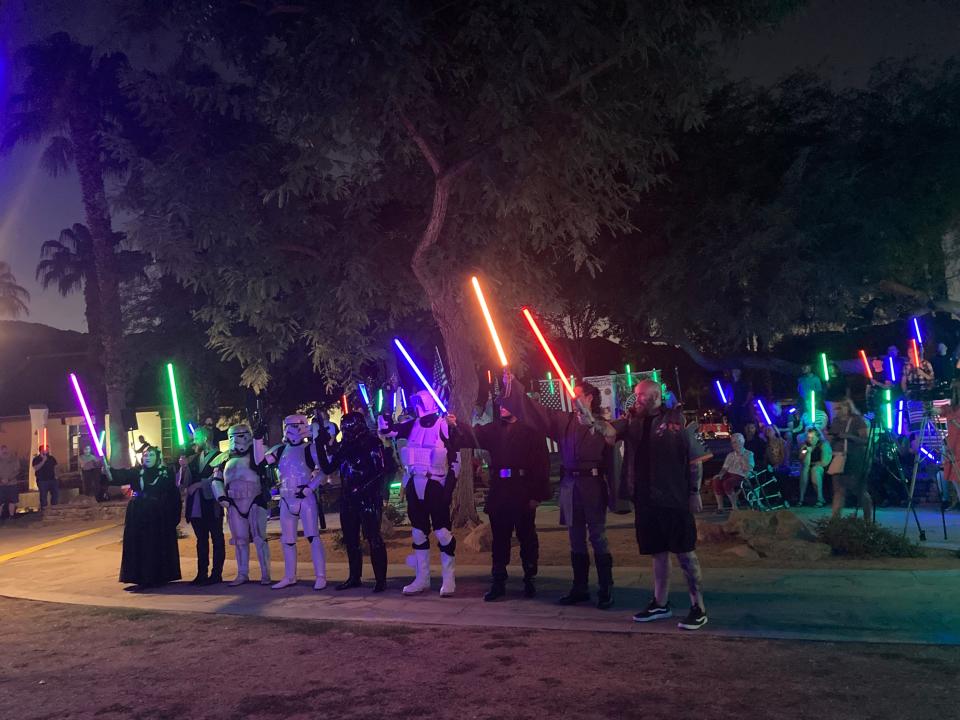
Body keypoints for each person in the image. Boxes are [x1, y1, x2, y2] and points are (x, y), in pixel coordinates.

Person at [501, 372, 616, 609]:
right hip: (570, 486)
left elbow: (613, 446)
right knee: (575, 540)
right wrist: (513, 386)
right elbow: (536, 411)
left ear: (590, 398)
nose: (574, 400)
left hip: (593, 485)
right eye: (572, 397)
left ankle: (606, 588)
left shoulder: (604, 425)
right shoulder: (564, 421)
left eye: (578, 396)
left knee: (598, 538)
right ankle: (580, 587)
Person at [604, 379, 712, 630]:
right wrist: (588, 416)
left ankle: (698, 607)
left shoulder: (676, 421)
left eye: (640, 395)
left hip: (674, 498)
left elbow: (696, 460)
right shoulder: (633, 422)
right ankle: (660, 603)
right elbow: (609, 433)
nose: (635, 400)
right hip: (645, 499)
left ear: (654, 396)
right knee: (658, 552)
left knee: (685, 553)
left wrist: (694, 492)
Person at [451, 398, 551, 601]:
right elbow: (472, 436)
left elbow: (542, 464)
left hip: (523, 489)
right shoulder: (493, 430)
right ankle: (498, 581)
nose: (503, 407)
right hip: (501, 490)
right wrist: (457, 424)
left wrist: (536, 495)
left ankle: (529, 579)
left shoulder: (531, 431)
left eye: (508, 403)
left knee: (527, 536)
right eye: (501, 405)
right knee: (500, 539)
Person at [379, 390, 460, 596]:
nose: (418, 405)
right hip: (415, 483)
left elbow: (456, 459)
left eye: (421, 401)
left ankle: (448, 579)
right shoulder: (411, 425)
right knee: (417, 532)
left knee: (443, 533)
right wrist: (384, 412)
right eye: (416, 402)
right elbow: (388, 431)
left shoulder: (444, 425)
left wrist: (448, 488)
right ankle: (422, 578)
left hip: (436, 484)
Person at [317, 411, 388, 592]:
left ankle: (381, 580)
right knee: (351, 540)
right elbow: (327, 467)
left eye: (349, 427)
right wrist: (319, 443)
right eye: (344, 427)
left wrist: (364, 489)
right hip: (348, 499)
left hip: (368, 499)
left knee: (373, 539)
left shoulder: (373, 443)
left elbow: (381, 470)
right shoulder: (344, 447)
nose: (345, 431)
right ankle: (354, 577)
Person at [263, 414, 327, 591]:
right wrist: (257, 438)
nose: (290, 429)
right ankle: (290, 576)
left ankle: (320, 575)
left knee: (313, 537)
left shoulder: (310, 448)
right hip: (286, 497)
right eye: (287, 426)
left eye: (294, 425)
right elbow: (259, 461)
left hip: (304, 497)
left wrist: (310, 487)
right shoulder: (280, 450)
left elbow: (324, 471)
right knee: (288, 540)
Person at [106, 446, 181, 589]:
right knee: (140, 544)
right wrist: (108, 471)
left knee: (155, 543)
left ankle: (158, 576)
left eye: (151, 455)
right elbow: (119, 476)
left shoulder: (165, 473)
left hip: (157, 513)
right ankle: (141, 577)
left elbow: (173, 494)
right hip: (138, 513)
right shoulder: (136, 472)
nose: (147, 457)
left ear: (157, 457)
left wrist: (173, 515)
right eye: (145, 455)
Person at [210, 424, 272, 587]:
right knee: (239, 541)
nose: (235, 440)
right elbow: (216, 480)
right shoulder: (223, 458)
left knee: (260, 539)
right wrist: (221, 497)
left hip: (255, 499)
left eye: (240, 435)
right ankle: (242, 573)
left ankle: (265, 573)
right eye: (232, 436)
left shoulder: (258, 453)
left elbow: (269, 465)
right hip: (233, 503)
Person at [178, 426, 225, 585]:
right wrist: (183, 467)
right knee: (201, 540)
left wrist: (198, 485)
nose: (194, 441)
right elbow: (184, 483)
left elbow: (218, 478)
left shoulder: (220, 456)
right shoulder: (194, 458)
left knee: (217, 539)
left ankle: (217, 574)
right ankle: (201, 573)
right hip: (196, 506)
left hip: (212, 503)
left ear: (205, 438)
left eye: (197, 437)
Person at [827, 399, 872, 521]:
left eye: (840, 408)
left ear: (848, 408)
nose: (837, 411)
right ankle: (835, 520)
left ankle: (868, 519)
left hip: (855, 458)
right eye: (836, 408)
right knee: (838, 489)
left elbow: (865, 440)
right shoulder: (836, 421)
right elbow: (831, 438)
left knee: (859, 490)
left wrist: (849, 437)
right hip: (839, 457)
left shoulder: (857, 420)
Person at [710, 433, 754, 512]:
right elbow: (725, 468)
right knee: (716, 481)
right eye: (733, 442)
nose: (735, 444)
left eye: (737, 442)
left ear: (742, 442)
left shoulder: (749, 454)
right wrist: (720, 475)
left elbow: (749, 468)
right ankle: (720, 507)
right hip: (730, 474)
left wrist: (742, 457)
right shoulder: (730, 455)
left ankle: (734, 506)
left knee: (727, 483)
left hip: (742, 475)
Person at [798, 427, 832, 507]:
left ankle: (820, 499)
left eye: (812, 438)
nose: (810, 440)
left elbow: (824, 462)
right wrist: (807, 452)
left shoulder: (823, 445)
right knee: (804, 469)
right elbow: (801, 458)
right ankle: (801, 499)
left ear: (818, 437)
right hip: (809, 465)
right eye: (808, 437)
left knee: (815, 470)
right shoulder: (805, 445)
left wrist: (812, 464)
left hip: (822, 467)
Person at [32, 445, 59, 510]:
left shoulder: (51, 458)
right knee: (43, 496)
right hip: (42, 480)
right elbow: (36, 468)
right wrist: (43, 461)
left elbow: (55, 466)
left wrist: (56, 475)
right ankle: (44, 511)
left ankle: (54, 509)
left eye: (48, 449)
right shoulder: (36, 459)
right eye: (45, 449)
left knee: (55, 495)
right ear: (41, 450)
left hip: (52, 479)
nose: (47, 451)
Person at [0, 445, 21, 521]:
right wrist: (1, 480)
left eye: (6, 450)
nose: (4, 451)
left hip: (12, 484)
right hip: (1, 485)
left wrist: (8, 479)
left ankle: (11, 517)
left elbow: (17, 471)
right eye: (2, 450)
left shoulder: (14, 459)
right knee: (0, 502)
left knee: (12, 501)